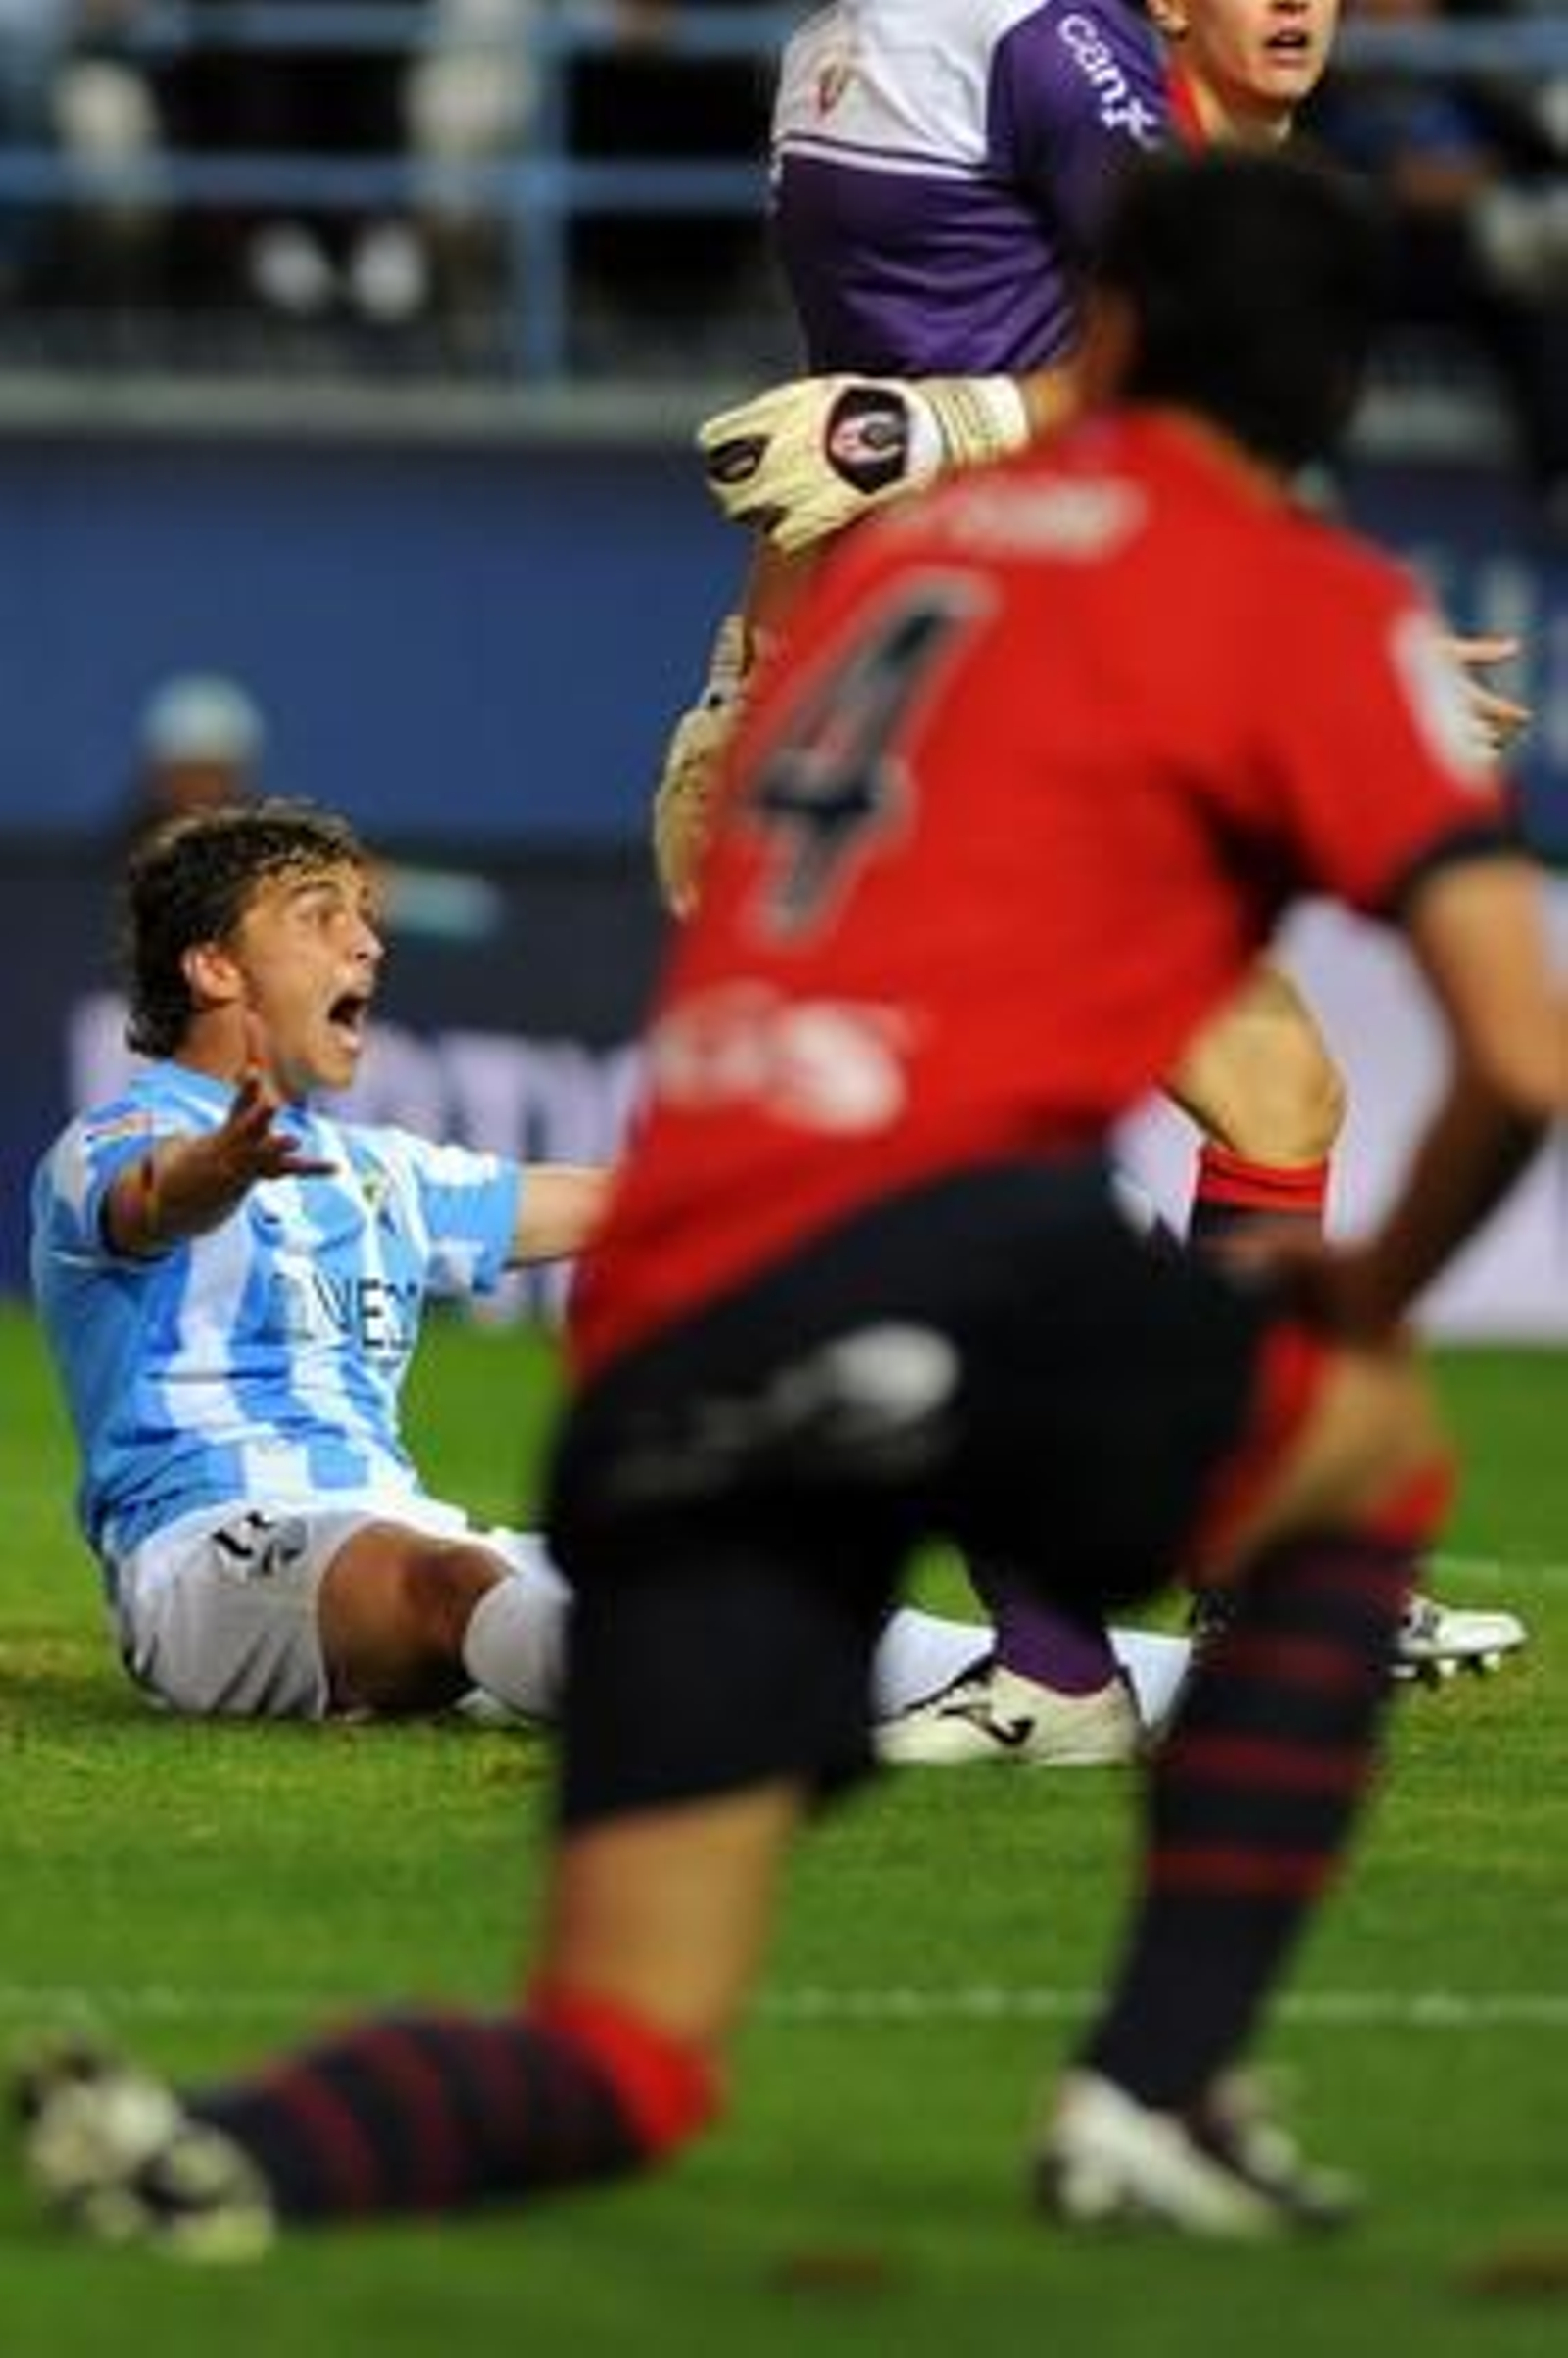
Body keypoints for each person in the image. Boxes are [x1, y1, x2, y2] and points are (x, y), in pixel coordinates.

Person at [19, 149, 1565, 2252]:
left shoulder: (915, 563)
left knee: (629, 2049)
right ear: (1337, 383)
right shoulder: (1283, 591)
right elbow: (1518, 1057)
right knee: (1358, 1447)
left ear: (1105, 327)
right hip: (917, 1211)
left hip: (679, 1310)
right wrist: (1361, 1297)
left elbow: (772, 729)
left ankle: (224, 2157)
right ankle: (1152, 2075)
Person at [658, 0, 1528, 1753]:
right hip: (956, 719)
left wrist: (875, 497)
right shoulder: (1030, 50)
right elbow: (1039, 393)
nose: (1299, 6)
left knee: (1271, 1094)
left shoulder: (907, 54)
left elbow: (894, 417)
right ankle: (1066, 1654)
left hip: (959, 680)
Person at [35, 793, 1189, 1733]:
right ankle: (724, 1716)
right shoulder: (117, 1138)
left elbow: (626, 1203)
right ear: (215, 968)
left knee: (724, 1585)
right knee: (449, 1587)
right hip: (207, 1558)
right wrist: (220, 1170)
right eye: (319, 915)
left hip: (406, 1532)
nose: (367, 941)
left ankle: (1202, 1680)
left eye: (366, 915)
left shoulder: (376, 1171)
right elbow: (152, 1204)